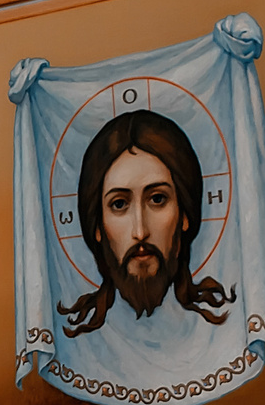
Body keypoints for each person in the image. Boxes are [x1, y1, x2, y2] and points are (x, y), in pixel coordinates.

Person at [57, 109, 232, 341]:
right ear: (97, 225)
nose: (140, 232)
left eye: (157, 199)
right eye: (119, 204)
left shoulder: (222, 337)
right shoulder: (82, 344)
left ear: (185, 215)